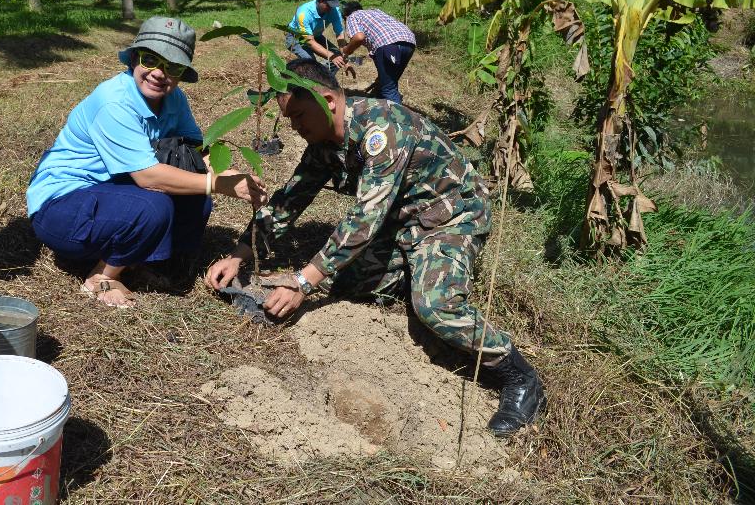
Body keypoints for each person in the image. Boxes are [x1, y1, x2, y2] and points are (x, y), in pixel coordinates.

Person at [205, 59, 545, 436]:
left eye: (300, 116)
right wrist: (240, 253)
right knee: (351, 285)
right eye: (291, 120)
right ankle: (409, 272)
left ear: (329, 100)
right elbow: (289, 201)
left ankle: (519, 377)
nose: (296, 128)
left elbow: (365, 219)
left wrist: (303, 282)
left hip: (449, 217)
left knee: (435, 307)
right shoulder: (323, 143)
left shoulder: (383, 129)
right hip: (401, 222)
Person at [28, 17, 267, 309]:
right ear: (133, 59)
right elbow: (147, 177)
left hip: (110, 192)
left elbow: (194, 153)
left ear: (181, 74)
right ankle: (101, 277)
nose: (159, 73)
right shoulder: (114, 102)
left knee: (197, 198)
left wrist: (231, 175)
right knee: (155, 206)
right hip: (61, 208)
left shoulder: (174, 99)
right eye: (151, 59)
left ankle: (137, 261)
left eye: (173, 66)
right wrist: (217, 184)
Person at [339, 1, 417, 104]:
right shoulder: (375, 11)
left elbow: (358, 37)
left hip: (388, 45)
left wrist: (346, 50)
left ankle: (396, 118)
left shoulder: (352, 16)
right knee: (389, 81)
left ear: (345, 15)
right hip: (409, 42)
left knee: (389, 89)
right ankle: (380, 103)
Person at [285, 0, 353, 78]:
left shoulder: (334, 10)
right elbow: (310, 41)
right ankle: (302, 81)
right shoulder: (303, 13)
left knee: (338, 56)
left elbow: (340, 34)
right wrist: (332, 56)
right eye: (328, 5)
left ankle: (322, 79)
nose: (331, 8)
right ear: (319, 1)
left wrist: (345, 59)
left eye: (333, 5)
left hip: (316, 35)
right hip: (296, 37)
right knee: (310, 61)